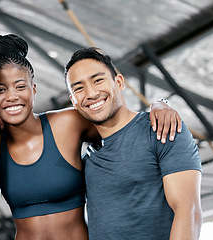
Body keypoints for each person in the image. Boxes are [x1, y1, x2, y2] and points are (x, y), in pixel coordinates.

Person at [0, 34, 182, 239]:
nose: (12, 96)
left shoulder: (69, 122)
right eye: (0, 90)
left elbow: (122, 125)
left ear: (34, 89)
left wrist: (160, 103)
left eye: (20, 86)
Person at [65, 47, 202, 239]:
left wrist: (161, 102)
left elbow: (189, 211)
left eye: (98, 80)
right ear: (73, 100)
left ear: (119, 82)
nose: (91, 93)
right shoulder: (86, 158)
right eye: (79, 88)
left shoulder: (162, 129)